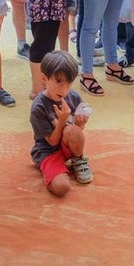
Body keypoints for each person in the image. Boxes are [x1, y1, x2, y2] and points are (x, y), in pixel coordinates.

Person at [29, 50, 92, 197]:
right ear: (44, 78)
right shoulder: (38, 107)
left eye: (69, 83)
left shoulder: (73, 97)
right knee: (61, 187)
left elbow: (78, 131)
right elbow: (52, 142)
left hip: (65, 146)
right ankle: (51, 168)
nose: (64, 89)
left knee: (73, 130)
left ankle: (78, 159)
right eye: (58, 81)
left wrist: (81, 123)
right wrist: (62, 120)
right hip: (47, 150)